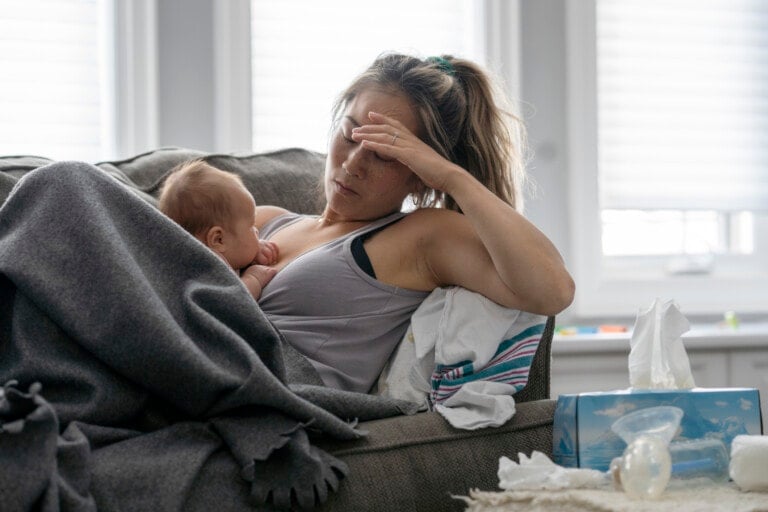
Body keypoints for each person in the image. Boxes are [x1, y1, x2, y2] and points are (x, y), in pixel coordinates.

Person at [254, 53, 575, 393]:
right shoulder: (266, 220)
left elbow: (553, 291)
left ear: (420, 176)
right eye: (350, 135)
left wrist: (452, 178)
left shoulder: (419, 237)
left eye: (384, 155)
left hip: (267, 393)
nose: (352, 164)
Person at [158, 159, 278, 300]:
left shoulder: (207, 252)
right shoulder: (203, 270)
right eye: (251, 226)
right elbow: (231, 302)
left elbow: (235, 252)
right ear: (218, 240)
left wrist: (252, 250)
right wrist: (253, 279)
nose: (256, 230)